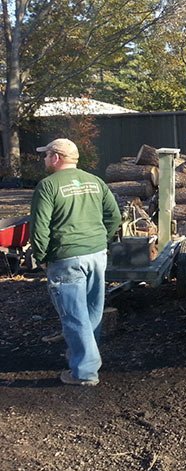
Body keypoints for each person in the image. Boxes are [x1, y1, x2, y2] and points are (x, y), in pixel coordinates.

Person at [30, 138, 121, 386]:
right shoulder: (95, 182)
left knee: (73, 315)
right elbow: (114, 215)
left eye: (46, 154)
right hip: (96, 253)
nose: (44, 159)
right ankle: (83, 356)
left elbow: (39, 228)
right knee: (92, 310)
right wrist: (101, 239)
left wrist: (41, 257)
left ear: (56, 157)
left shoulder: (47, 186)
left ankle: (85, 372)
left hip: (66, 257)